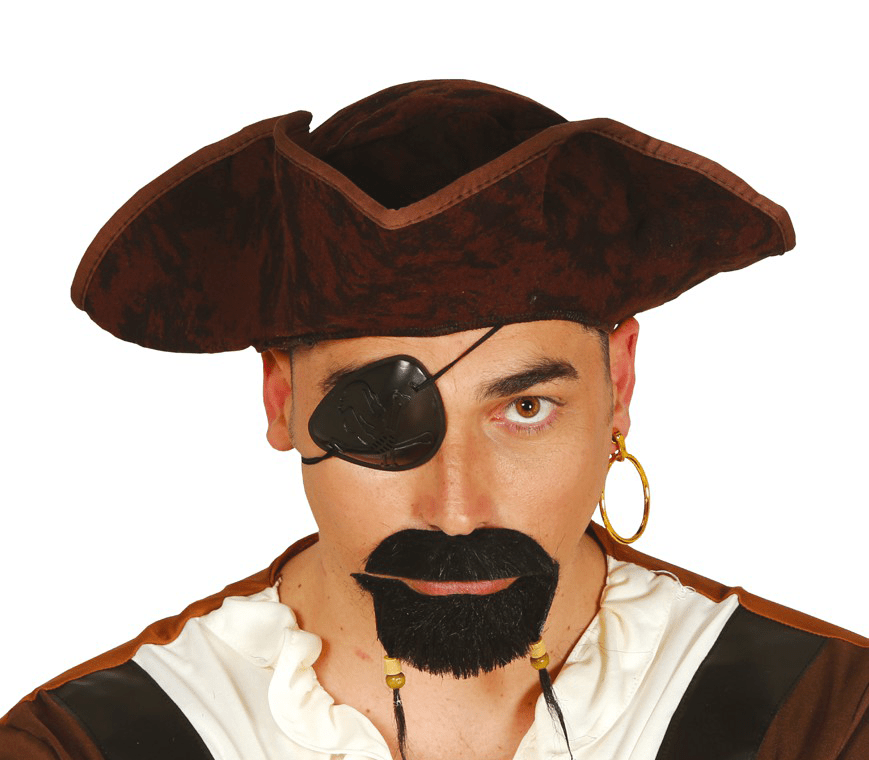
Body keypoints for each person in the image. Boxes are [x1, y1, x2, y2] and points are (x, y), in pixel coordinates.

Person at [1, 79, 866, 760]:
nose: (456, 510)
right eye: (379, 416)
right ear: (281, 399)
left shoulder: (824, 721)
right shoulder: (86, 746)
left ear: (619, 384)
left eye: (524, 408)